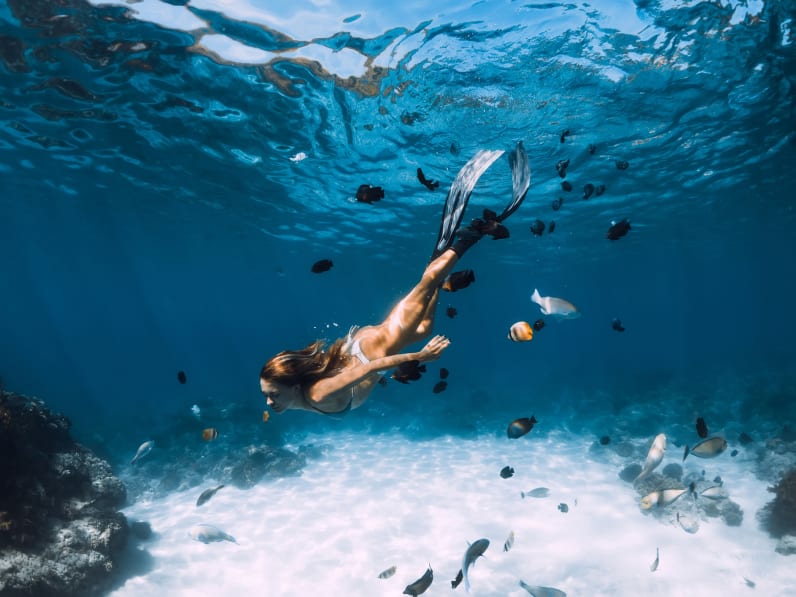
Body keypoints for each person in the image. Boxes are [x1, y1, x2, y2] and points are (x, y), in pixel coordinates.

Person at [259, 143, 530, 416]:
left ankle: (472, 235)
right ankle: (440, 263)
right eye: (268, 395)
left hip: (371, 351)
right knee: (424, 325)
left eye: (273, 394)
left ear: (294, 387)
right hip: (361, 346)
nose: (269, 402)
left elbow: (369, 368)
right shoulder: (304, 395)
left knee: (424, 288)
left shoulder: (318, 394)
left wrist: (420, 357)